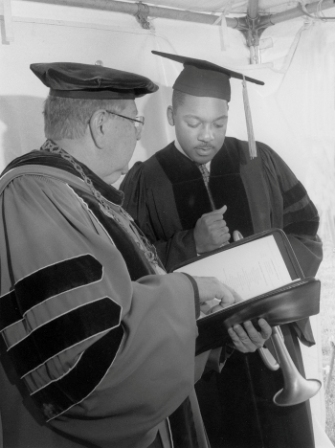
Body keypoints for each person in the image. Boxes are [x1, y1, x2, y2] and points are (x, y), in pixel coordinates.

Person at [0, 62, 273, 448]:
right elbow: (83, 367)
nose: (138, 135)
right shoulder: (33, 196)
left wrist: (216, 331)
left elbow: (128, 311)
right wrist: (187, 291)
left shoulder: (86, 195)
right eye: (134, 122)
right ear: (100, 125)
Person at [120, 52, 323, 448]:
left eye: (219, 122)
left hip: (273, 338)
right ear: (170, 116)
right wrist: (190, 244)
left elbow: (306, 228)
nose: (207, 135)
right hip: (204, 357)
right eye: (193, 122)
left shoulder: (259, 160)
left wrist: (275, 287)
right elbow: (130, 267)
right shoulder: (146, 180)